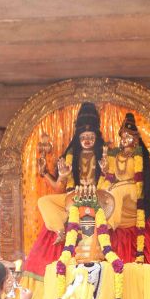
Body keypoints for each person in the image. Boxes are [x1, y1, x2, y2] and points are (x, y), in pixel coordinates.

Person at [99, 112, 150, 264]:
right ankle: (100, 226)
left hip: (133, 191)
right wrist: (104, 169)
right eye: (122, 136)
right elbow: (110, 177)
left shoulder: (140, 156)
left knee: (116, 191)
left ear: (136, 139)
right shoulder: (115, 155)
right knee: (105, 193)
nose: (124, 139)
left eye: (128, 136)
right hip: (117, 190)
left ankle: (108, 225)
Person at [37, 102, 105, 243]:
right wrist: (62, 176)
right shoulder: (70, 157)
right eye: (83, 137)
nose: (87, 140)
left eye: (90, 137)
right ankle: (60, 231)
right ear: (78, 139)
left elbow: (111, 182)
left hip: (96, 197)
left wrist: (105, 172)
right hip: (74, 196)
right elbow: (60, 189)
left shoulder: (105, 155)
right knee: (44, 201)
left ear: (96, 138)